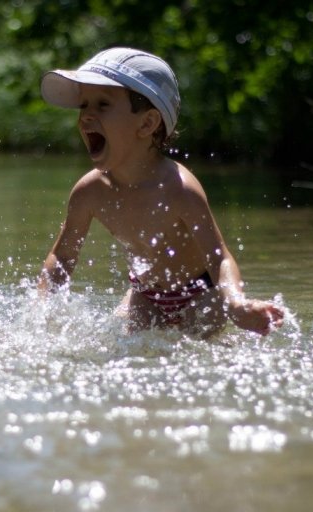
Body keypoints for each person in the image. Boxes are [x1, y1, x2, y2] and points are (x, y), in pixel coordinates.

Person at [37, 47, 284, 336]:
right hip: (144, 294)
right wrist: (42, 307)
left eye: (102, 105)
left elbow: (220, 258)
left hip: (201, 293)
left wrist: (236, 303)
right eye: (84, 106)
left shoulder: (180, 189)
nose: (86, 117)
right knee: (130, 355)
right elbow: (63, 257)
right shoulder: (89, 191)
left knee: (195, 356)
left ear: (147, 123)